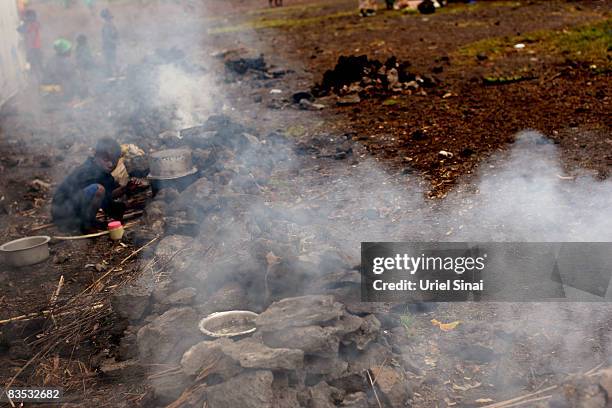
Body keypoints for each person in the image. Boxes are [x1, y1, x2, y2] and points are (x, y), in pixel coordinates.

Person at [51, 138, 134, 233]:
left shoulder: (102, 172)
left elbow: (109, 195)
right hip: (63, 214)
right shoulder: (88, 172)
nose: (111, 164)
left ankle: (87, 222)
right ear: (96, 155)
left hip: (71, 209)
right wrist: (121, 207)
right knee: (98, 189)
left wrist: (126, 189)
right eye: (106, 159)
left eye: (114, 161)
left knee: (99, 190)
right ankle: (85, 226)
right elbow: (105, 200)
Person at [17, 9, 43, 81]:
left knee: (31, 64)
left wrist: (22, 22)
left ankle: (35, 80)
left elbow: (20, 29)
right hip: (36, 49)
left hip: (33, 49)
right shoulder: (35, 24)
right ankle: (37, 79)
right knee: (37, 65)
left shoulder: (32, 25)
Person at [100, 9, 118, 77]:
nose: (111, 19)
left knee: (112, 63)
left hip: (111, 48)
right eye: (109, 18)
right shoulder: (106, 27)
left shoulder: (110, 25)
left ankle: (113, 75)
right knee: (111, 63)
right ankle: (112, 77)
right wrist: (115, 43)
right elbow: (107, 39)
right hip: (109, 48)